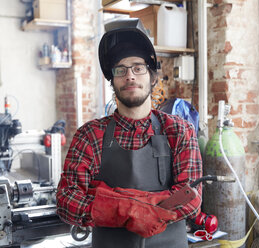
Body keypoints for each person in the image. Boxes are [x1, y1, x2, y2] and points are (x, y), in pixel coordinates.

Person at [56, 18, 202, 248]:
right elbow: (67, 201)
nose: (130, 76)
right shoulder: (90, 135)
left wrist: (105, 199)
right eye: (120, 69)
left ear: (152, 77)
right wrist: (129, 210)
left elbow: (190, 198)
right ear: (112, 80)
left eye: (138, 67)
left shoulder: (179, 130)